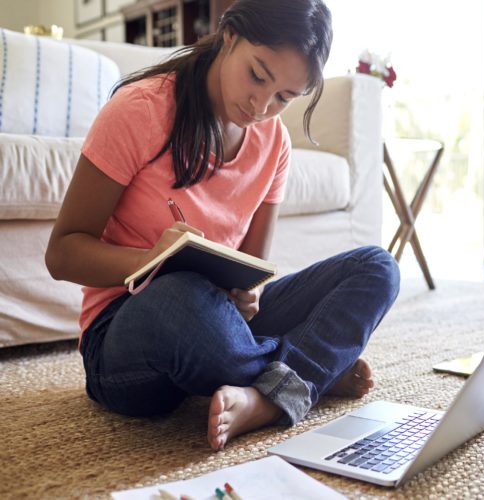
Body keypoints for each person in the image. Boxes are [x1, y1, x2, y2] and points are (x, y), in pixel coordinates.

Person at [45, 0, 400, 451]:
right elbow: (61, 253)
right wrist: (153, 259)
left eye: (284, 98)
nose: (261, 105)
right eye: (257, 75)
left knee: (377, 267)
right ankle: (306, 374)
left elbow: (251, 274)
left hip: (222, 324)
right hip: (127, 333)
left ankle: (268, 394)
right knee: (181, 296)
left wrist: (249, 295)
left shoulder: (274, 144)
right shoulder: (140, 111)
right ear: (228, 34)